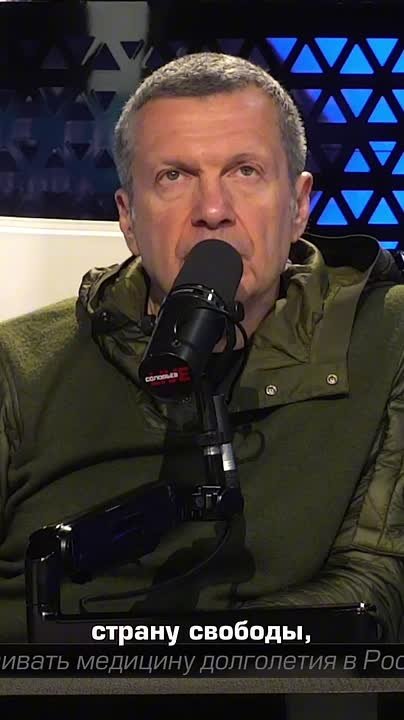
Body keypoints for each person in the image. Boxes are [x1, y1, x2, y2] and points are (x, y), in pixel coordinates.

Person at [1, 52, 404, 643]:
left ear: (298, 206)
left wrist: (186, 660)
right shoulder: (18, 362)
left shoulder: (388, 338)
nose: (212, 211)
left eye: (245, 171)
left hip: (282, 682)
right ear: (128, 218)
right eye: (175, 176)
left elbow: (378, 584)